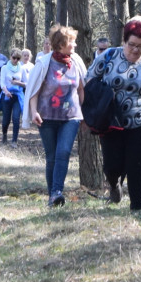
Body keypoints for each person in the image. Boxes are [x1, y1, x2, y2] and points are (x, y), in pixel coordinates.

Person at [88, 15, 141, 212]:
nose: (135, 49)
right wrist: (88, 114)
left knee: (136, 165)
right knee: (111, 166)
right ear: (124, 41)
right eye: (131, 44)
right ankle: (115, 185)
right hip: (110, 122)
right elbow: (88, 84)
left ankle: (137, 207)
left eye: (140, 46)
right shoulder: (107, 57)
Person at [22, 25, 86, 207]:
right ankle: (53, 197)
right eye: (71, 42)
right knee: (51, 157)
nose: (74, 45)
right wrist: (33, 112)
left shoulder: (76, 62)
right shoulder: (45, 62)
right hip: (47, 117)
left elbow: (82, 89)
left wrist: (84, 113)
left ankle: (57, 191)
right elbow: (34, 90)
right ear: (61, 44)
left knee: (63, 152)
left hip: (71, 117)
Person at [0, 49, 27, 147]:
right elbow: (2, 82)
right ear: (10, 56)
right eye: (14, 58)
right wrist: (6, 91)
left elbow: (26, 84)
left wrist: (18, 83)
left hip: (17, 96)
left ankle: (14, 140)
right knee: (6, 119)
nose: (15, 60)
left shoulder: (22, 68)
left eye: (18, 59)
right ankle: (4, 135)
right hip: (6, 95)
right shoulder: (4, 68)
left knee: (16, 118)